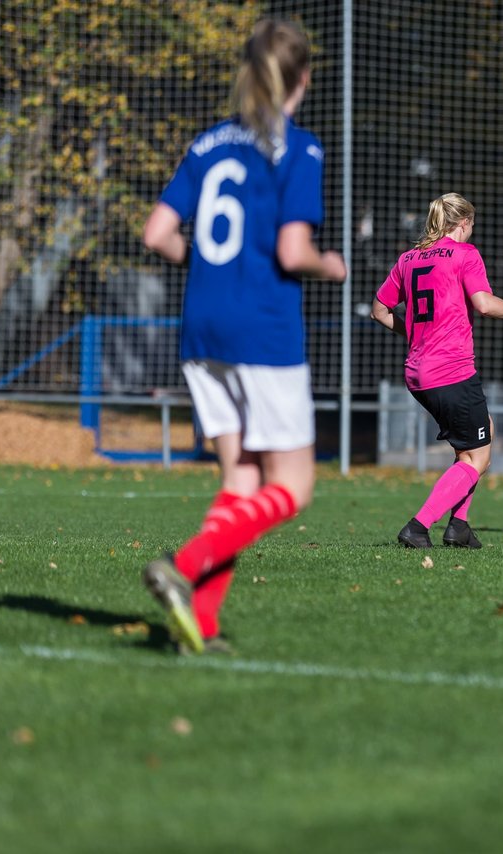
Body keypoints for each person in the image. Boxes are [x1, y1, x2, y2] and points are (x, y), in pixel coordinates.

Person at [139, 19, 347, 654]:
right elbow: (292, 250)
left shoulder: (208, 144)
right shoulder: (299, 149)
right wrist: (330, 264)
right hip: (262, 327)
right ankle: (189, 561)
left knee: (242, 480)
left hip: (202, 323)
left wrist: (203, 257)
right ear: (303, 78)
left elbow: (156, 235)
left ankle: (196, 628)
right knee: (296, 486)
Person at [371, 193, 503, 549]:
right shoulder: (465, 254)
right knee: (478, 457)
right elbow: (484, 303)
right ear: (464, 222)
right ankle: (418, 526)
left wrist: (416, 333)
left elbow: (379, 310)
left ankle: (460, 525)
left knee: (477, 440)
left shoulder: (408, 259)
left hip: (418, 371)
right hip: (450, 369)